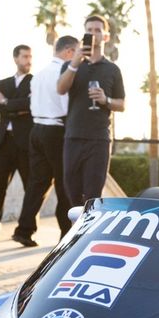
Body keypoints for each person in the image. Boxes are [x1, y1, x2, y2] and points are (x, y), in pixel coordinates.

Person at [13, 36, 77, 244]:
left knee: (36, 184)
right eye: (76, 52)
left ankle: (23, 230)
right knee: (63, 184)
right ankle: (66, 234)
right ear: (68, 52)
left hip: (36, 130)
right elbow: (66, 104)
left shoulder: (38, 74)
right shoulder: (63, 72)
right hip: (56, 131)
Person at [56, 14, 125, 207]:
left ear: (106, 36)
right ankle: (74, 235)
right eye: (89, 30)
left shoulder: (112, 69)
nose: (93, 34)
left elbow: (122, 104)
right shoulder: (70, 65)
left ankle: (87, 234)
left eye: (97, 30)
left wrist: (105, 99)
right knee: (72, 192)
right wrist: (74, 64)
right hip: (73, 137)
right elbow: (60, 89)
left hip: (99, 139)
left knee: (93, 197)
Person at [0, 44, 33, 244]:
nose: (29, 60)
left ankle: (27, 229)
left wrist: (5, 102)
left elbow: (29, 106)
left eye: (30, 57)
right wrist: (14, 105)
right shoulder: (3, 83)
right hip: (4, 142)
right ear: (15, 58)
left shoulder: (34, 81)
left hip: (25, 143)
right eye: (25, 56)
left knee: (31, 188)